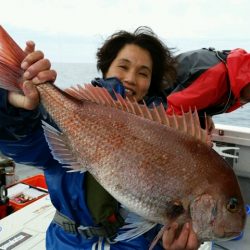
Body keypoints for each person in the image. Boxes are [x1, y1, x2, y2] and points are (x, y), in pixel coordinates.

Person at [0, 27, 200, 250]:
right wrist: (13, 110)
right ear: (105, 69)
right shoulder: (71, 116)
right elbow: (25, 147)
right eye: (123, 67)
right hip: (66, 242)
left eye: (143, 73)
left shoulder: (167, 139)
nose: (131, 78)